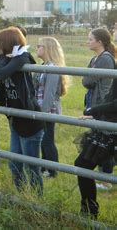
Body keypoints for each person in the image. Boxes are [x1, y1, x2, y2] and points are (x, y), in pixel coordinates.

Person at [0, 27, 45, 195]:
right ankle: (22, 196)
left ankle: (37, 200)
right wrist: (2, 57)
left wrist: (3, 59)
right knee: (14, 164)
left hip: (30, 122)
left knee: (31, 166)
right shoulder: (7, 58)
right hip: (15, 120)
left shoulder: (23, 58)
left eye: (0, 42)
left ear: (7, 44)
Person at [75, 78, 117, 219]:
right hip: (110, 126)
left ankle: (89, 211)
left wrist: (93, 110)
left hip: (113, 128)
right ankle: (89, 211)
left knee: (83, 164)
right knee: (82, 164)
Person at [82, 27, 116, 190]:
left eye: (90, 39)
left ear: (100, 41)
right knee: (98, 141)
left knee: (104, 142)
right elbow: (86, 80)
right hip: (94, 103)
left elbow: (88, 81)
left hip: (102, 105)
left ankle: (106, 180)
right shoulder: (95, 59)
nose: (88, 41)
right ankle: (102, 177)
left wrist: (89, 77)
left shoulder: (105, 59)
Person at [34, 37, 69, 177]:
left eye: (39, 46)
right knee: (43, 140)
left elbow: (49, 94)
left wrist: (42, 113)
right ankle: (45, 168)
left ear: (47, 48)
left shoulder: (53, 68)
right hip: (41, 109)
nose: (37, 48)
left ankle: (52, 170)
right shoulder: (44, 65)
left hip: (48, 110)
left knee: (47, 141)